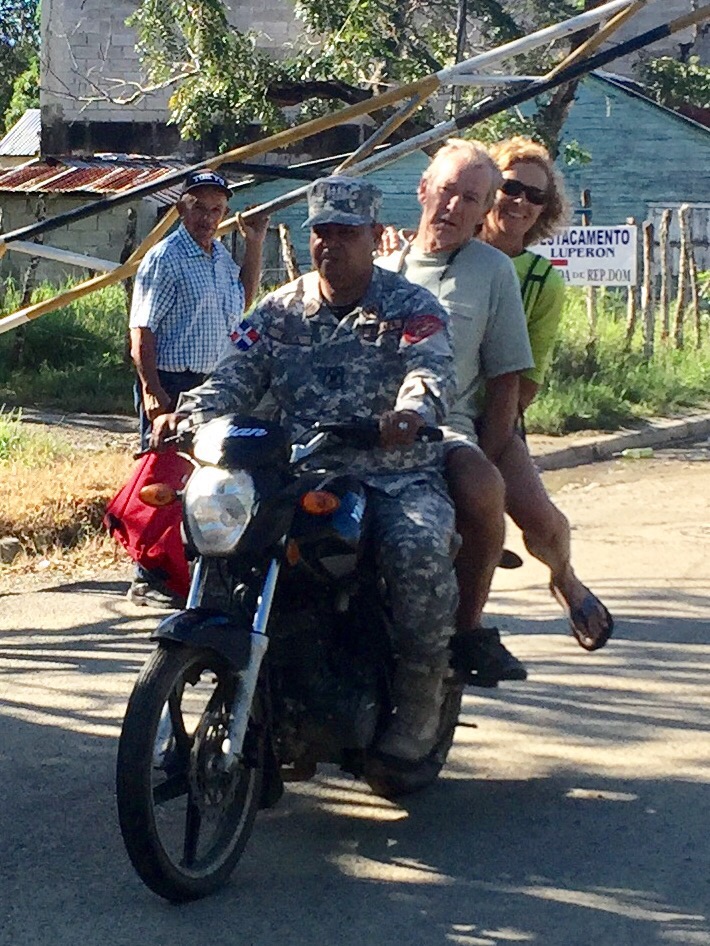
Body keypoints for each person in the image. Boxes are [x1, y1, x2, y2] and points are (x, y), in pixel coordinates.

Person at [151, 175, 460, 767]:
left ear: (374, 235)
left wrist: (411, 412)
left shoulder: (411, 307)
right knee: (223, 546)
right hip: (300, 470)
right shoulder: (277, 311)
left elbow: (431, 371)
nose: (331, 244)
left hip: (392, 472)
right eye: (322, 232)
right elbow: (231, 377)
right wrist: (185, 415)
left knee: (416, 550)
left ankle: (421, 700)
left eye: (346, 233)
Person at [377, 138, 535, 685]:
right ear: (423, 190)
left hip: (443, 431)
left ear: (485, 208)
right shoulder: (380, 268)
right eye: (447, 191)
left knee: (482, 487)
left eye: (470, 199)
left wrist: (487, 454)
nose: (453, 207)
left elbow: (506, 380)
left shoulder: (494, 271)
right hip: (369, 431)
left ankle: (468, 629)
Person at [481, 136, 613, 650]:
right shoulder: (448, 254)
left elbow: (526, 381)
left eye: (534, 196)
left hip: (495, 415)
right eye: (510, 188)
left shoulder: (540, 281)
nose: (520, 202)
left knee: (540, 521)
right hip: (425, 411)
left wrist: (493, 440)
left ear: (545, 210)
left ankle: (565, 578)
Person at [127, 168, 269, 608]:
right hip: (171, 382)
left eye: (216, 210)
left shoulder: (219, 257)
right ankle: (148, 576)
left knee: (207, 483)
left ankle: (191, 572)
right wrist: (153, 392)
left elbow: (242, 301)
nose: (207, 218)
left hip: (212, 388)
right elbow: (142, 331)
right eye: (199, 208)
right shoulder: (165, 258)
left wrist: (254, 244)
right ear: (180, 208)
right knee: (162, 480)